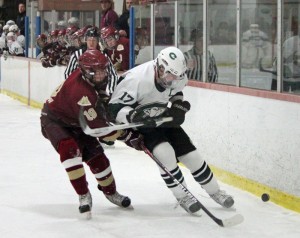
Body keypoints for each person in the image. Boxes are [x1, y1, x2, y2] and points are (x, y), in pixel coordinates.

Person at [108, 46, 234, 215]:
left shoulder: (177, 75)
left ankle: (215, 191)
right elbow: (113, 108)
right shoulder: (137, 79)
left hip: (163, 117)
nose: (173, 79)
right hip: (143, 124)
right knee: (165, 153)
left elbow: (176, 92)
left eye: (177, 76)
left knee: (193, 156)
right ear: (160, 67)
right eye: (170, 75)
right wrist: (132, 117)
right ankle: (182, 196)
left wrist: (177, 105)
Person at [40, 49, 132, 217]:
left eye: (103, 69)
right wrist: (126, 134)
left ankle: (111, 192)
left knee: (98, 158)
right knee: (69, 151)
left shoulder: (87, 78)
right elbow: (101, 131)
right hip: (55, 121)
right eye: (95, 71)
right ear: (84, 70)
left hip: (78, 121)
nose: (100, 75)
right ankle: (83, 194)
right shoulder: (82, 93)